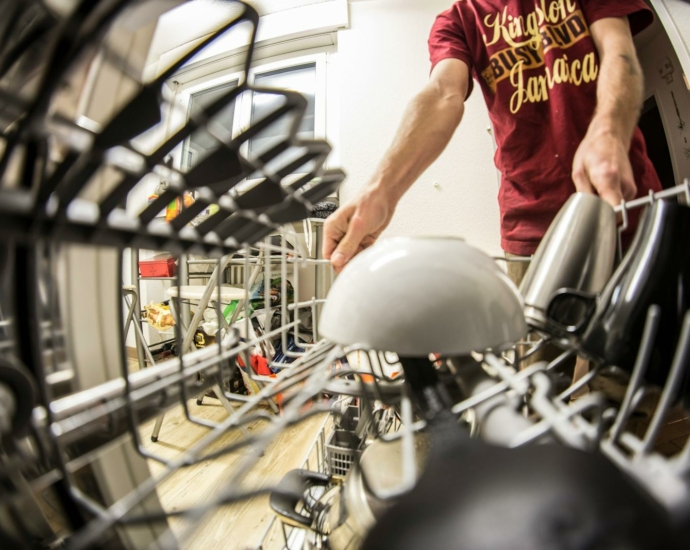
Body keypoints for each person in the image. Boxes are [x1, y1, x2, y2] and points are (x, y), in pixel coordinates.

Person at [323, 0, 661, 276]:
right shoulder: (458, 20)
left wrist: (607, 131)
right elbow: (443, 94)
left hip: (624, 201)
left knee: (644, 353)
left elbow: (619, 52)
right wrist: (381, 191)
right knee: (538, 359)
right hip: (529, 227)